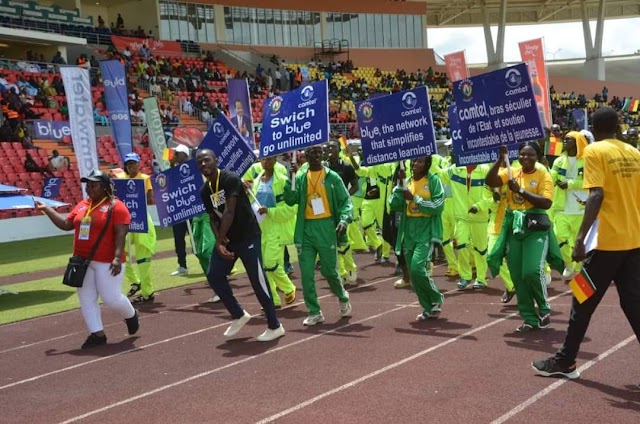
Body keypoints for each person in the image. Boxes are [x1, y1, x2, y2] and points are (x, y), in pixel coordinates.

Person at [533, 107, 640, 379]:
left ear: (593, 127)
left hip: (606, 245)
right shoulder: (634, 153)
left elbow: (596, 195)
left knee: (581, 298)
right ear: (618, 126)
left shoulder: (594, 151)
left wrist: (580, 238)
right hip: (633, 242)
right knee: (633, 304)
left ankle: (565, 361)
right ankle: (565, 359)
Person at [35, 170, 139, 349]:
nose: (89, 188)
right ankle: (97, 334)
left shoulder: (117, 206)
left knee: (111, 299)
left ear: (105, 187)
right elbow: (66, 224)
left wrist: (116, 257)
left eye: (94, 184)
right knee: (86, 298)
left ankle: (131, 314)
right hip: (83, 261)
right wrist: (46, 209)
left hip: (107, 260)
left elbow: (121, 234)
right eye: (87, 185)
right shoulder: (83, 205)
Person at [196, 149, 285, 342]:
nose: (203, 164)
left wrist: (220, 239)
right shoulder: (205, 191)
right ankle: (238, 314)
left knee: (257, 280)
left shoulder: (230, 179)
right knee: (214, 275)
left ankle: (275, 326)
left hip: (247, 235)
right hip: (228, 239)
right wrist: (219, 241)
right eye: (200, 162)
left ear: (216, 160)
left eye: (207, 160)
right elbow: (213, 217)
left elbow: (229, 211)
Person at [486, 142, 564, 332]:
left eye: (530, 155)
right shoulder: (513, 171)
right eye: (521, 155)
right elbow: (491, 181)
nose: (525, 158)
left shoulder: (543, 174)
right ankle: (529, 318)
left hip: (535, 227)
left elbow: (546, 203)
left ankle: (544, 307)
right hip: (515, 228)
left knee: (531, 271)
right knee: (518, 276)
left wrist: (520, 190)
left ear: (537, 156)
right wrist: (499, 158)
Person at [284, 145, 353, 326]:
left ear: (322, 155)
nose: (315, 155)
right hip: (305, 229)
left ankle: (342, 295)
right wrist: (289, 179)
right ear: (305, 156)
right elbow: (290, 200)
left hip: (326, 227)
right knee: (306, 275)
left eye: (318, 152)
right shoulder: (299, 177)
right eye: (311, 153)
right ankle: (315, 311)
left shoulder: (332, 177)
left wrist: (344, 220)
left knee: (329, 271)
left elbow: (346, 201)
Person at [389, 156, 446, 320]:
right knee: (413, 275)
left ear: (427, 164)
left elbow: (438, 206)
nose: (415, 164)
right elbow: (394, 205)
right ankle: (427, 307)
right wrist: (399, 186)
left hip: (426, 229)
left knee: (417, 268)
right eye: (413, 161)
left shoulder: (433, 181)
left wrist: (414, 198)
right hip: (408, 230)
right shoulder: (406, 181)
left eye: (420, 161)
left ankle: (436, 297)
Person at [252, 155, 297, 309]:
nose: (266, 162)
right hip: (261, 227)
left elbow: (291, 209)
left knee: (270, 263)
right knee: (264, 265)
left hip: (276, 226)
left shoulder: (283, 181)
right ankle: (273, 299)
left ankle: (289, 288)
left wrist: (269, 211)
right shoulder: (257, 180)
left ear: (275, 160)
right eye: (263, 159)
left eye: (269, 159)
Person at [119, 152, 157, 303]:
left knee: (143, 258)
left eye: (133, 163)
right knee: (121, 254)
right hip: (125, 220)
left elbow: (150, 198)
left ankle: (148, 291)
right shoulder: (121, 180)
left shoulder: (145, 178)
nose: (131, 166)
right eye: (128, 164)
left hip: (141, 219)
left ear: (138, 164)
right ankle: (135, 281)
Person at [550, 131, 588, 279]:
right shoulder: (558, 161)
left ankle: (578, 269)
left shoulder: (586, 161)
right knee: (560, 236)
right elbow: (550, 178)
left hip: (580, 207)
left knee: (579, 240)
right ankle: (569, 262)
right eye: (564, 139)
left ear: (577, 142)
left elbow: (588, 181)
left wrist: (570, 184)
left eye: (569, 139)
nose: (565, 142)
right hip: (561, 206)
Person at [324, 140, 359, 285]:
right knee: (331, 242)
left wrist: (344, 198)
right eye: (327, 148)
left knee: (343, 240)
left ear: (339, 150)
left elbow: (355, 186)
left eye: (333, 147)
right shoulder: (321, 168)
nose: (329, 150)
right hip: (326, 210)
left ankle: (351, 268)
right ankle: (341, 272)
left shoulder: (346, 167)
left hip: (341, 209)